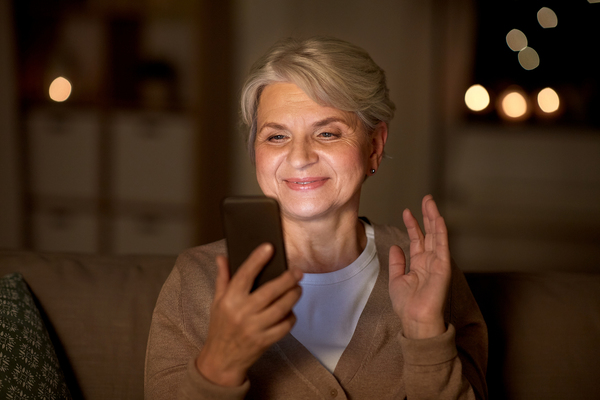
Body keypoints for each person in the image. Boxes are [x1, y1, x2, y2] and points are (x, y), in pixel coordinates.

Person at [145, 36, 487, 399]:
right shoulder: (196, 279)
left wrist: (424, 335)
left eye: (327, 133)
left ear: (375, 146)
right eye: (276, 136)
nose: (300, 156)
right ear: (254, 154)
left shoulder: (432, 274)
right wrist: (220, 362)